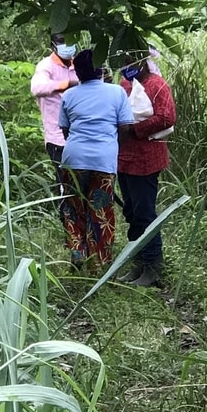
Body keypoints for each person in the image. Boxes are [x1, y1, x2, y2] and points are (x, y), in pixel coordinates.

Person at [57, 48, 134, 270]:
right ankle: (98, 265)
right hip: (103, 161)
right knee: (100, 211)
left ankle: (78, 253)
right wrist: (112, 146)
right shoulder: (117, 92)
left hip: (74, 160)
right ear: (101, 69)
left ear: (77, 73)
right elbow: (126, 127)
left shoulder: (69, 95)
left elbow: (65, 130)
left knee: (72, 209)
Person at [117, 48, 177, 288]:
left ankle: (153, 265)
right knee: (131, 212)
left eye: (131, 61)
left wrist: (134, 129)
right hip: (124, 158)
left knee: (145, 213)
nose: (126, 66)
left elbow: (167, 117)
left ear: (143, 61)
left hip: (146, 159)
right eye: (123, 62)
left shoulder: (156, 85)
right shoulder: (123, 84)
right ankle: (138, 262)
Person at [30, 35, 78, 211]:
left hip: (81, 136)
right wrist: (66, 84)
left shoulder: (77, 65)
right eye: (62, 41)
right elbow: (37, 88)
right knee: (66, 185)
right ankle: (68, 224)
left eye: (70, 40)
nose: (67, 45)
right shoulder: (46, 67)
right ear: (53, 45)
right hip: (58, 139)